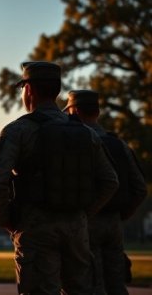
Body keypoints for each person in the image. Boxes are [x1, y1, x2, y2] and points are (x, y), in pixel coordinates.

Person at [0, 61, 119, 294]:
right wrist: (83, 213)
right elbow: (110, 181)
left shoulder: (18, 130)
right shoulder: (86, 133)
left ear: (29, 89)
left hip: (35, 226)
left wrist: (6, 219)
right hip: (76, 228)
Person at [64, 89, 147, 294]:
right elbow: (140, 188)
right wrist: (122, 214)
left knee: (93, 284)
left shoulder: (73, 144)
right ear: (97, 112)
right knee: (117, 284)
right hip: (114, 223)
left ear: (73, 111)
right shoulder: (119, 145)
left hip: (85, 222)